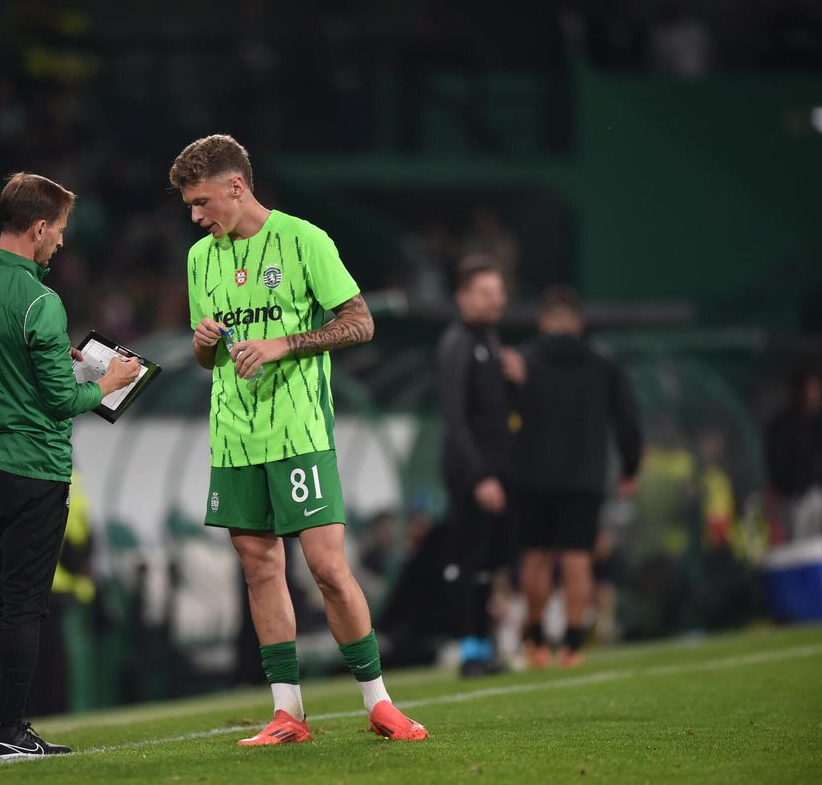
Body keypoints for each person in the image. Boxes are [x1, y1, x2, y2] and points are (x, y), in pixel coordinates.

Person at [171, 134, 427, 744]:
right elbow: (207, 359)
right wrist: (204, 345)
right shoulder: (199, 258)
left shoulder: (304, 240)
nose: (196, 216)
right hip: (233, 437)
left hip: (300, 432)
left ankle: (379, 703)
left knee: (328, 569)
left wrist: (286, 343)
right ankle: (288, 713)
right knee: (260, 569)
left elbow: (360, 322)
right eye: (190, 206)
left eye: (202, 201)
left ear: (237, 187)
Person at [0, 172, 139, 762]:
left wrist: (55, 360)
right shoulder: (40, 300)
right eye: (60, 232)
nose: (61, 244)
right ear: (39, 227)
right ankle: (9, 728)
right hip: (34, 466)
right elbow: (58, 401)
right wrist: (106, 380)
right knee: (23, 604)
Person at [504, 286, 641, 668]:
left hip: (533, 476)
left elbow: (503, 412)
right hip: (585, 477)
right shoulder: (604, 363)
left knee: (536, 557)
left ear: (543, 321)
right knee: (578, 558)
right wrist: (630, 467)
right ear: (579, 323)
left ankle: (536, 639)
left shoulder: (523, 360)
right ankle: (573, 645)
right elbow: (628, 422)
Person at [436, 255, 513, 678]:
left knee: (487, 563)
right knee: (468, 561)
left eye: (498, 292)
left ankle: (482, 647)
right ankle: (468, 651)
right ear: (463, 297)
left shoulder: (489, 340)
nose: (496, 300)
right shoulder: (458, 343)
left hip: (493, 470)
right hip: (471, 473)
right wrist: (480, 475)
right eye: (486, 293)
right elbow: (456, 417)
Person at [765, 369, 822, 541]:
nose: (810, 395)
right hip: (795, 498)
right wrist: (791, 488)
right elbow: (777, 462)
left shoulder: (817, 424)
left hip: (817, 493)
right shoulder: (784, 425)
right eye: (807, 389)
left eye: (815, 389)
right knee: (798, 543)